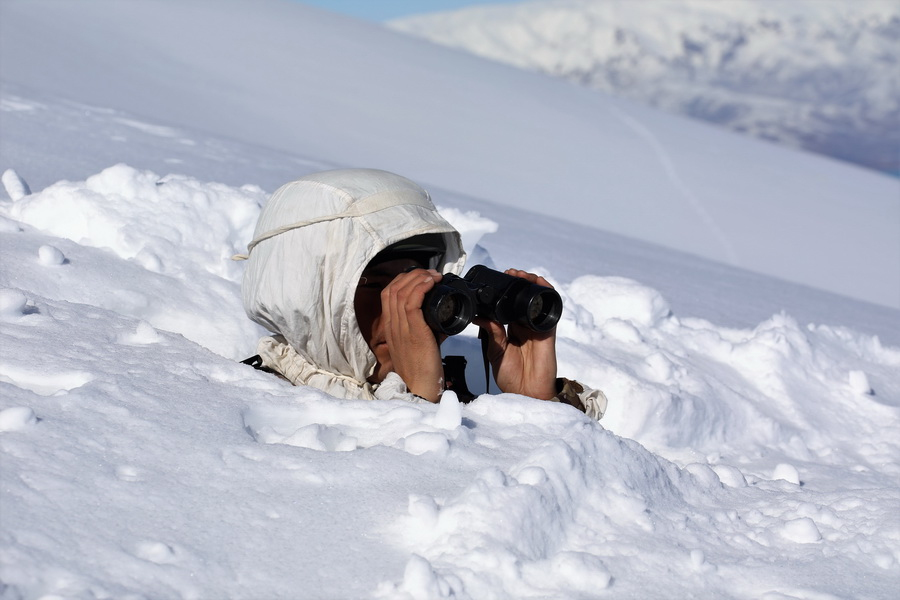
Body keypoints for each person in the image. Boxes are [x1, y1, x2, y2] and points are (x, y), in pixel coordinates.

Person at [238, 168, 606, 419]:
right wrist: (415, 404)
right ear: (309, 292)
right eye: (376, 281)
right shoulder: (255, 405)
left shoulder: (458, 399)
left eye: (420, 279)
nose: (406, 301)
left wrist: (533, 408)